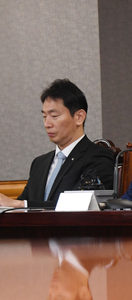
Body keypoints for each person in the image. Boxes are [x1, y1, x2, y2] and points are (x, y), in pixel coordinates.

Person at [0, 79, 114, 208]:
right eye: (44, 116)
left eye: (54, 116)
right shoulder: (39, 164)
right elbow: (21, 206)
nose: (47, 124)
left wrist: (20, 204)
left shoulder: (97, 158)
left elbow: (78, 206)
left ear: (79, 117)